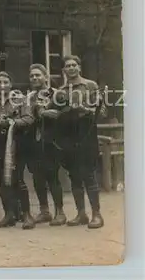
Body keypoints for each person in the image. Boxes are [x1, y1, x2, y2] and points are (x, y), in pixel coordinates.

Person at [54, 55, 105, 229]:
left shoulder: (90, 86)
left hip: (86, 132)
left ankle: (97, 214)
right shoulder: (60, 90)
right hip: (68, 133)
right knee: (74, 174)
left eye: (74, 65)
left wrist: (86, 110)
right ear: (64, 70)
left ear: (79, 67)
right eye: (67, 66)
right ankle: (81, 213)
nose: (71, 68)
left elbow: (101, 111)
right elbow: (57, 112)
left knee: (88, 173)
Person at [0, 72, 36, 229]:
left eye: (5, 82)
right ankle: (9, 214)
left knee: (18, 180)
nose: (2, 85)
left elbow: (29, 119)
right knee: (2, 182)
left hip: (15, 145)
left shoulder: (20, 100)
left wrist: (12, 122)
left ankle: (27, 215)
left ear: (11, 84)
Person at [25, 64, 66, 226]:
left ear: (45, 77)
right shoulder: (28, 97)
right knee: (37, 176)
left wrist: (53, 114)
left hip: (51, 140)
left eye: (38, 75)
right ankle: (44, 211)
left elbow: (64, 114)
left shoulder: (56, 94)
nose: (35, 78)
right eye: (32, 76)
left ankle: (60, 212)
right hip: (33, 140)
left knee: (53, 176)